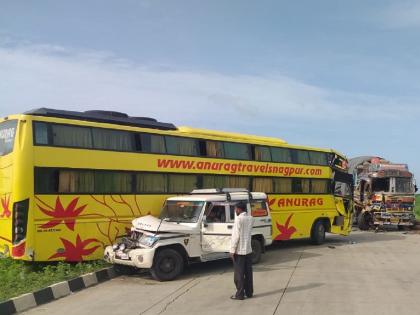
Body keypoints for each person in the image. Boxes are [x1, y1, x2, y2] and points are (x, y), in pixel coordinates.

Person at [229, 201, 253, 300]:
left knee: (238, 275)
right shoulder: (251, 218)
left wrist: (232, 250)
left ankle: (239, 294)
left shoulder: (238, 219)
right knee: (248, 273)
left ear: (239, 209)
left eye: (235, 209)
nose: (235, 210)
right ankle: (249, 293)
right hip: (248, 250)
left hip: (239, 251)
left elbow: (235, 236)